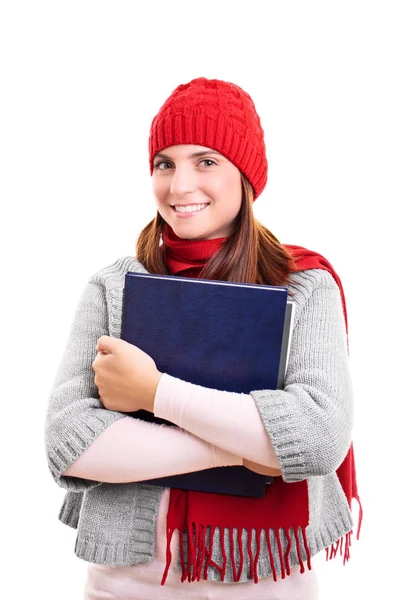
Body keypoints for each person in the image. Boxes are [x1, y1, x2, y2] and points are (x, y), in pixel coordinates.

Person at [44, 76, 363, 600]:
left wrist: (153, 395)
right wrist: (246, 451)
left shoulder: (303, 287)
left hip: (267, 580)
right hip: (127, 582)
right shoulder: (114, 285)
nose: (179, 185)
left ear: (246, 176)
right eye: (164, 163)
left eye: (205, 161)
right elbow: (68, 444)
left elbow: (319, 438)